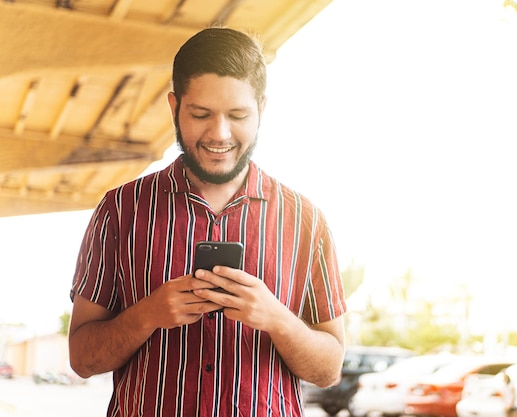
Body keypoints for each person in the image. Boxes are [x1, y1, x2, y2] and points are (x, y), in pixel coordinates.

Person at [68, 27, 347, 417]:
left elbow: (329, 369)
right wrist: (147, 315)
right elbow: (82, 359)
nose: (219, 133)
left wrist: (278, 319)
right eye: (200, 114)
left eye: (237, 115)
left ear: (261, 110)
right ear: (174, 107)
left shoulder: (306, 220)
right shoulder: (120, 210)